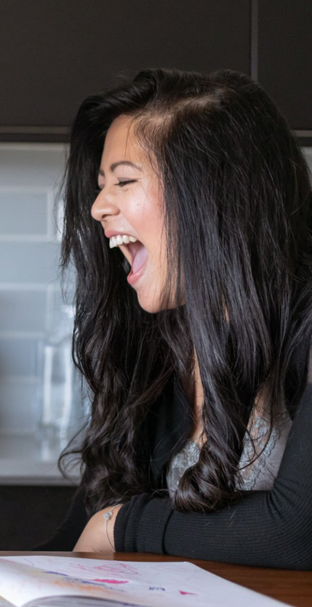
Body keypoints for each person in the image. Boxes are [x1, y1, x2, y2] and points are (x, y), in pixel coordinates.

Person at [39, 68, 312, 570]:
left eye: (124, 180)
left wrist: (121, 525)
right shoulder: (161, 342)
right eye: (102, 185)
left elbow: (298, 533)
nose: (98, 206)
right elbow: (76, 538)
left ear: (215, 195)